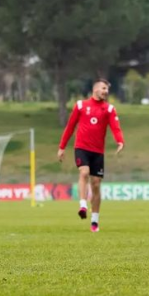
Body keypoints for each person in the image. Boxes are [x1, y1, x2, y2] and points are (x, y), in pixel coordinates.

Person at [58, 79, 125, 232]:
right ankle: (82, 205)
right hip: (81, 148)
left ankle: (95, 221)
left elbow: (115, 127)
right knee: (84, 172)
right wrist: (62, 147)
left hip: (98, 151)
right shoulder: (81, 105)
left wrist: (120, 141)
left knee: (96, 183)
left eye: (107, 89)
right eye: (103, 88)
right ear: (95, 90)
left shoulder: (109, 109)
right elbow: (70, 127)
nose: (106, 91)